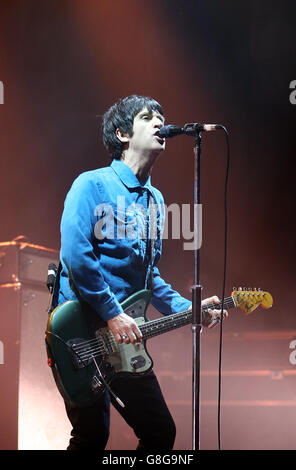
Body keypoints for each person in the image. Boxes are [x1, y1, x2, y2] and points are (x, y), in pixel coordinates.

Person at [56, 94, 226, 451]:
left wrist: (189, 310)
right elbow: (77, 256)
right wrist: (113, 313)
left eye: (162, 116)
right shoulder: (92, 185)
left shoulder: (155, 201)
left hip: (125, 339)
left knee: (160, 433)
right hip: (80, 334)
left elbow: (150, 277)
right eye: (149, 117)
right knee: (91, 435)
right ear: (122, 134)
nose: (160, 122)